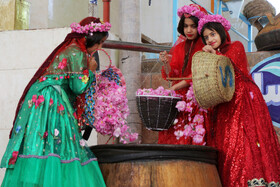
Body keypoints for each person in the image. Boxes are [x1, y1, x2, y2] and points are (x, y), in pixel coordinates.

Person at [0, 17, 109, 186]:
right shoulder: (77, 52)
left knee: (39, 144)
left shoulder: (70, 48)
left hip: (39, 100)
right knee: (60, 145)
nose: (100, 47)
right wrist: (91, 71)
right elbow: (77, 86)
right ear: (90, 38)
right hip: (52, 100)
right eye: (100, 42)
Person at [198, 14, 280, 187]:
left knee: (245, 141)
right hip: (225, 104)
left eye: (212, 34)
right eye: (206, 37)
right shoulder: (212, 53)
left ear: (221, 32)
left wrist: (214, 55)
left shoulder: (236, 46)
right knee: (227, 145)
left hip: (243, 100)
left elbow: (230, 67)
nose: (210, 39)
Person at [158, 4, 209, 145]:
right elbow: (171, 75)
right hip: (179, 97)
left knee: (194, 134)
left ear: (199, 27)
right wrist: (165, 62)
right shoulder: (179, 47)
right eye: (186, 26)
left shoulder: (204, 47)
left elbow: (196, 75)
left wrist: (172, 89)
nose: (189, 30)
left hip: (197, 96)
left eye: (193, 26)